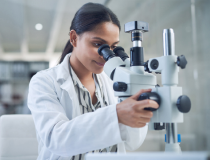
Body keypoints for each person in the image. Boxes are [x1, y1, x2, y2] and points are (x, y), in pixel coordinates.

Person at [28, 3, 158, 160]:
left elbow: (132, 143)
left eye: (112, 47)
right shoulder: (44, 81)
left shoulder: (113, 81)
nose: (106, 55)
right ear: (74, 38)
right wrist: (116, 114)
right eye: (98, 45)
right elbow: (56, 139)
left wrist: (136, 100)